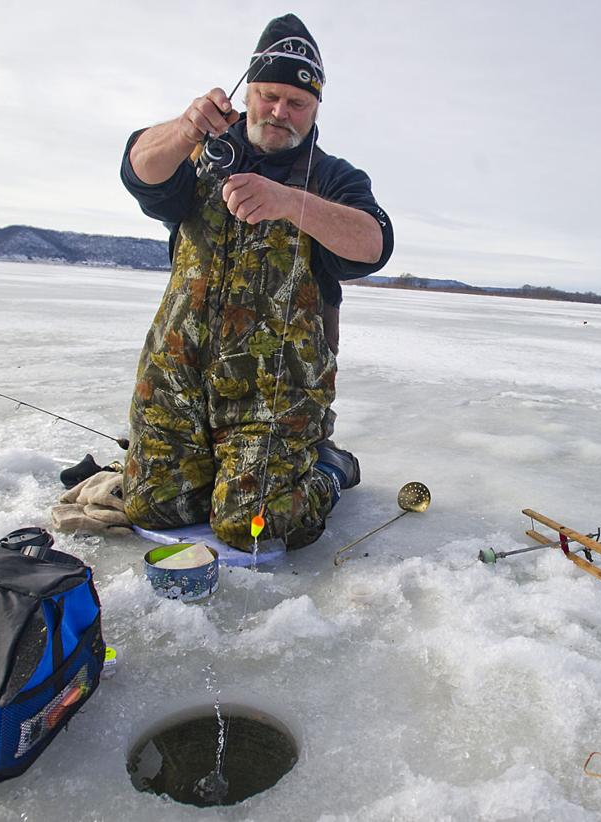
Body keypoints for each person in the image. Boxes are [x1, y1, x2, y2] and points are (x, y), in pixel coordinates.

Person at [118, 14, 394, 551]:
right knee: (150, 504)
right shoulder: (200, 151)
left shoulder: (334, 177)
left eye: (298, 103)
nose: (279, 112)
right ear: (249, 92)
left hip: (274, 395)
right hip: (176, 378)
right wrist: (183, 128)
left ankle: (328, 468)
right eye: (268, 95)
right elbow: (138, 169)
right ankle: (209, 468)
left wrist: (291, 203)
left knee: (250, 526)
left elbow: (374, 243)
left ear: (316, 108)